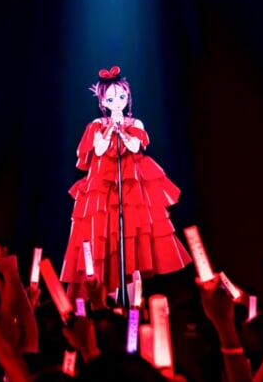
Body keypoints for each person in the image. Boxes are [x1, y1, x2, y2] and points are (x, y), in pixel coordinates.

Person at [60, 65, 192, 300]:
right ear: (103, 102)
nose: (117, 102)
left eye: (121, 97)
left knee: (132, 247)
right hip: (102, 192)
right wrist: (111, 128)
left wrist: (122, 131)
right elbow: (99, 150)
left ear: (127, 97)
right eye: (111, 99)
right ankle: (106, 303)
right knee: (103, 245)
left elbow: (135, 146)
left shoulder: (136, 124)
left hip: (129, 191)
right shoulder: (96, 125)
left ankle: (133, 308)